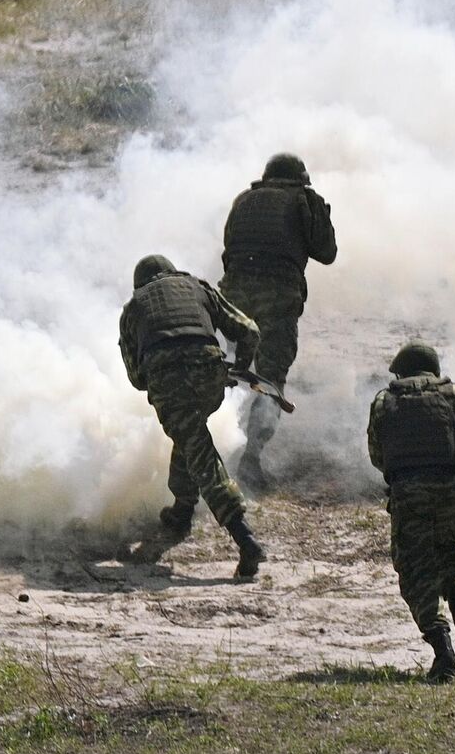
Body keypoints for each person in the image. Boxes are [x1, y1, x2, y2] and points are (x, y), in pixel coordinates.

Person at [119, 255, 268, 580]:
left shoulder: (132, 309)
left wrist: (161, 376)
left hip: (168, 380)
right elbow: (250, 331)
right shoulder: (199, 287)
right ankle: (182, 510)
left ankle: (245, 540)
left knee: (199, 452)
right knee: (191, 438)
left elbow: (136, 377)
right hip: (209, 373)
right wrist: (240, 367)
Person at [366, 342, 455, 682]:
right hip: (451, 493)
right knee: (448, 549)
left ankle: (443, 652)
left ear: (401, 372)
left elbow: (377, 456)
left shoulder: (384, 401)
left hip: (410, 495)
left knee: (415, 570)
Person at [218, 152, 337, 490]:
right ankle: (251, 459)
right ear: (299, 179)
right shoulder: (303, 200)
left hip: (233, 298)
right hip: (277, 298)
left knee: (232, 372)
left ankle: (218, 444)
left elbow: (229, 248)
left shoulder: (244, 200)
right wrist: (319, 214)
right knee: (270, 380)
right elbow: (326, 252)